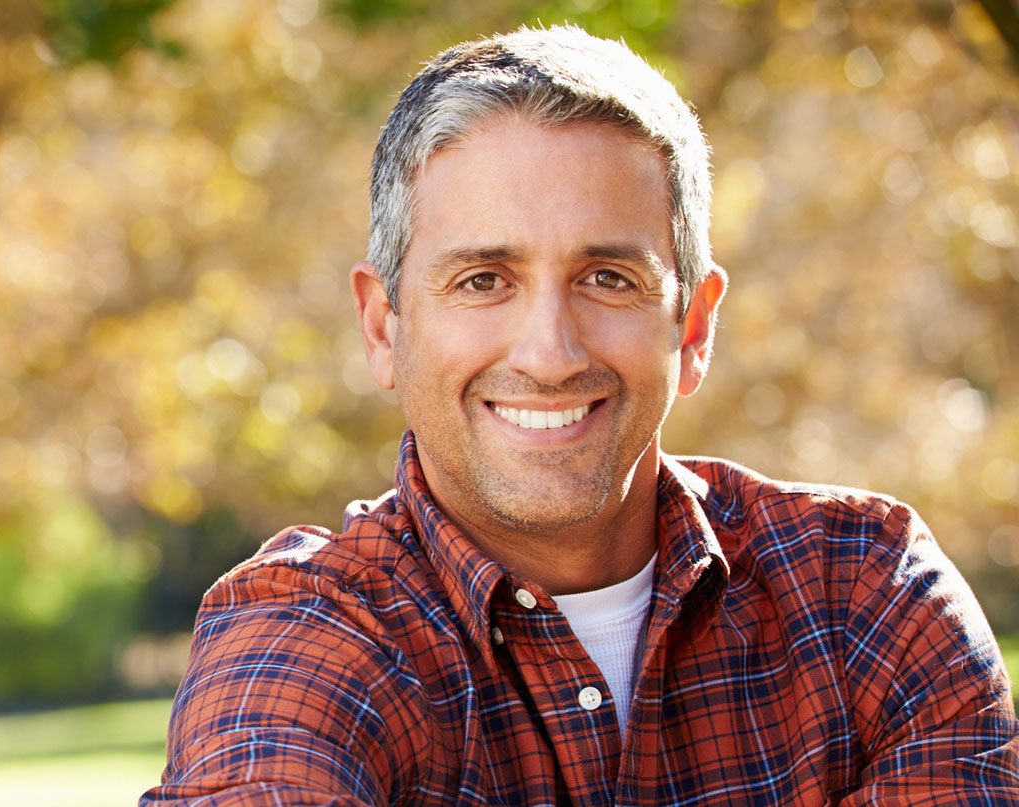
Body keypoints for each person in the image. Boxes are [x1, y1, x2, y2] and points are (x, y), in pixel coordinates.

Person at [142, 25, 1019, 806]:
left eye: (608, 278)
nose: (551, 352)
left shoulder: (866, 595)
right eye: (483, 280)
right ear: (384, 326)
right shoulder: (307, 640)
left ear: (694, 326)